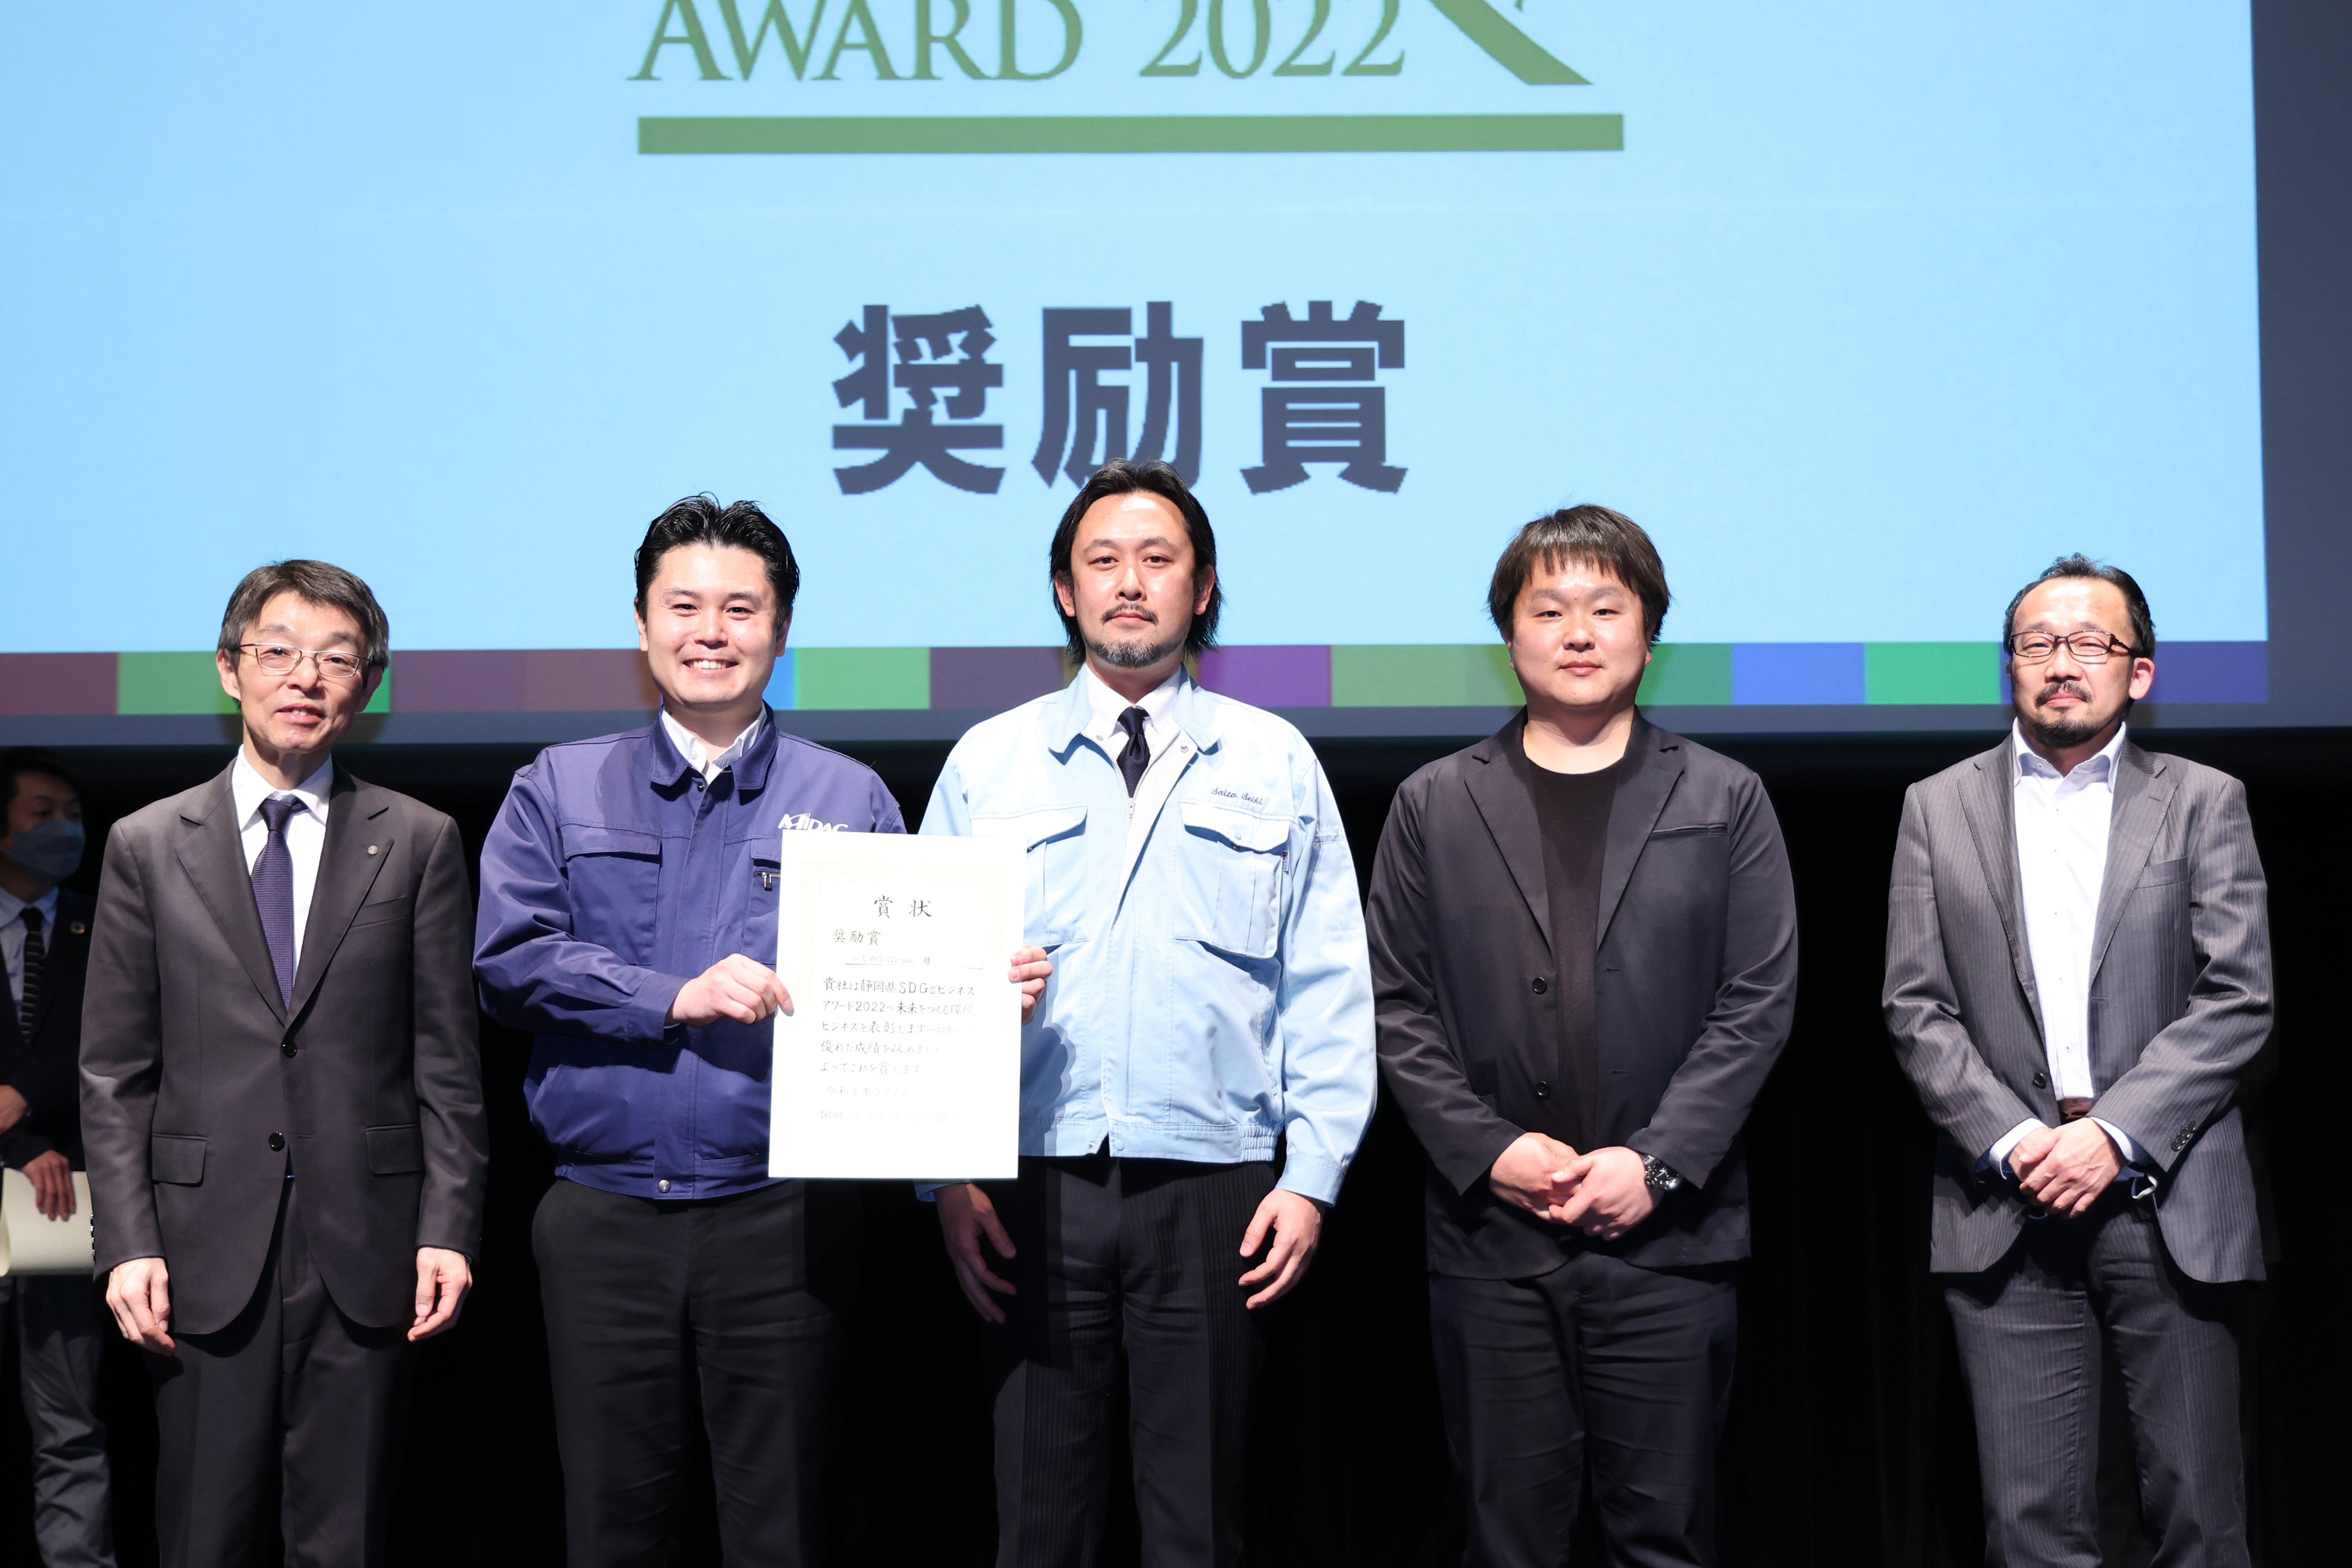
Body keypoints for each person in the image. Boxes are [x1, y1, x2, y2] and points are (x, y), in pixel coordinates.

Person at [473, 495, 1046, 1568]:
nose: (711, 631)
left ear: (780, 632)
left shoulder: (853, 796)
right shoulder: (555, 785)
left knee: (787, 1525)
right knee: (612, 1526)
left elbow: (902, 984)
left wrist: (975, 996)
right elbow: (511, 963)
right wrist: (673, 993)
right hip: (603, 1218)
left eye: (742, 608)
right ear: (641, 628)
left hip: (783, 1222)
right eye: (683, 605)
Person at [921, 459, 1376, 1568]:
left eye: (1159, 559)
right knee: (1040, 1526)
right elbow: (918, 983)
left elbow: (1326, 988)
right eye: (1103, 561)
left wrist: (1312, 1178)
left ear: (1204, 587)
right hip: (1033, 1183)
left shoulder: (1274, 758)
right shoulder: (990, 760)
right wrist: (943, 1176)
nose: (1132, 582)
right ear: (1066, 594)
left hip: (1216, 1189)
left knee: (1199, 1527)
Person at [1364, 507, 1798, 1568]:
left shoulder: (1725, 796)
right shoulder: (1433, 804)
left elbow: (1758, 1000)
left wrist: (1656, 1163)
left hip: (1670, 1239)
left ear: (1648, 635)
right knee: (1506, 1537)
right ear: (1507, 638)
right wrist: (1489, 1150)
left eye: (1607, 608)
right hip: (1493, 1241)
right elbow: (1394, 1004)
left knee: (1668, 1536)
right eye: (1547, 609)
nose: (1578, 631)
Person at [79, 561, 488, 1567]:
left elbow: (447, 1061)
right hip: (199, 1247)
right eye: (278, 652)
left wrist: (448, 1225)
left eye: (336, 659)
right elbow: (113, 1071)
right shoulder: (143, 843)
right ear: (230, 670)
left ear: (366, 686)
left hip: (369, 1242)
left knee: (345, 1537)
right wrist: (126, 1242)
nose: (305, 677)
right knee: (203, 1535)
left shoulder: (421, 841)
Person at [1883, 554, 2271, 1567]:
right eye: (2037, 644)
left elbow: (2239, 997)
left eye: (2090, 643)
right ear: (2008, 666)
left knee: (2198, 1515)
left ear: (2138, 672)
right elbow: (1914, 1005)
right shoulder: (1937, 806)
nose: (2062, 663)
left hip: (2166, 1190)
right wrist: (2018, 1142)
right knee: (2029, 1527)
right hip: (2005, 1203)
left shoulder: (2205, 801)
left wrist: (2111, 1133)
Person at [0, 748, 116, 1568]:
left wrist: (30, 1115)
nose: (62, 828)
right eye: (41, 812)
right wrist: (14, 1138)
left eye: (71, 812)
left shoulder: (103, 922)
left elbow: (120, 1045)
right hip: (27, 1165)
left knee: (70, 1422)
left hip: (65, 1204)